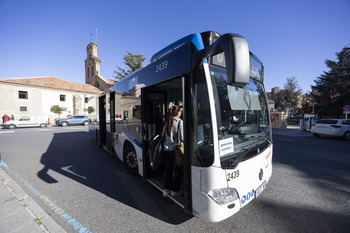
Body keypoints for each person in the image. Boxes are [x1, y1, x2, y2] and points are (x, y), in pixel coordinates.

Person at [162, 105, 184, 197]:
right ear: (178, 112)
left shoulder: (167, 121)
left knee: (168, 169)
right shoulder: (179, 122)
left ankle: (166, 190)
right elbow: (182, 138)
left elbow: (163, 135)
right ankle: (174, 191)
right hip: (175, 151)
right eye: (180, 111)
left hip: (166, 149)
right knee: (176, 170)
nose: (181, 113)